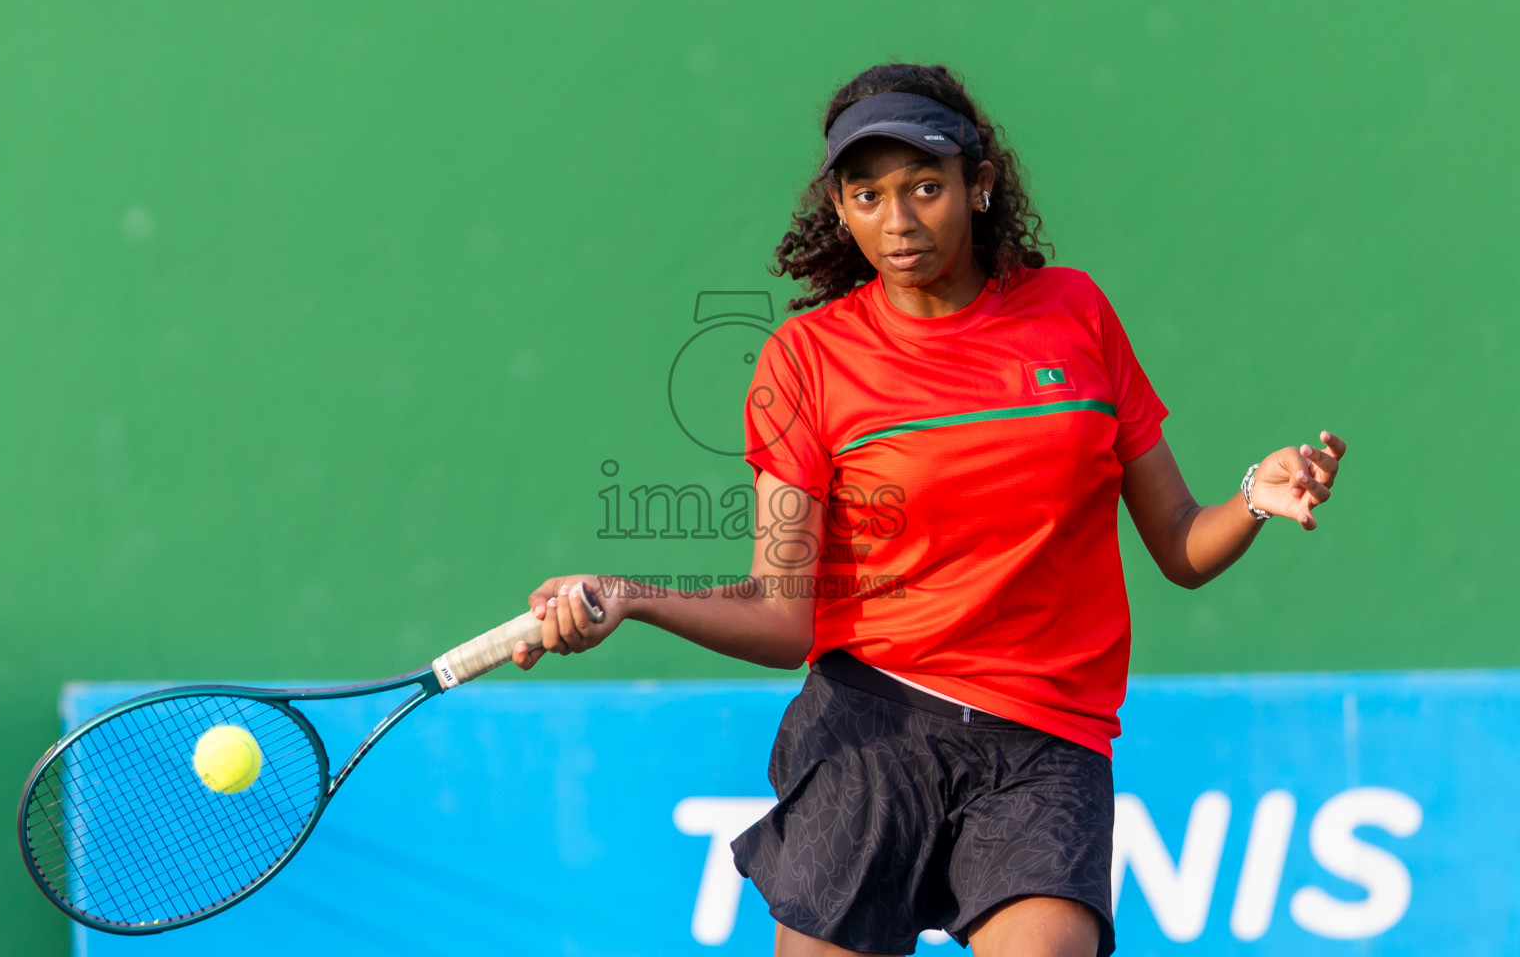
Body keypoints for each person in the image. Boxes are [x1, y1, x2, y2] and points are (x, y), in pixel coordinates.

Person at [515, 63, 1346, 957]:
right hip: (867, 730)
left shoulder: (1076, 314)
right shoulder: (806, 361)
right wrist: (634, 596)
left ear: (978, 185)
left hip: (1043, 736)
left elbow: (1180, 544)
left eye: (924, 187)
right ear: (839, 207)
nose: (899, 221)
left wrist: (1252, 498)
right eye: (867, 195)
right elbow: (782, 614)